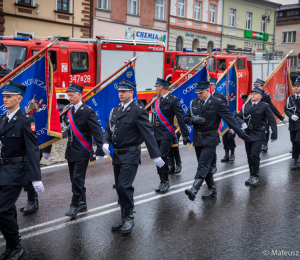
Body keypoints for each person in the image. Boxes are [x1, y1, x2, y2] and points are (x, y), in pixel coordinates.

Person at [104, 79, 164, 234]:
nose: (121, 94)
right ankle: (123, 217)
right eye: (119, 91)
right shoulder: (115, 110)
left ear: (131, 92)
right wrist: (105, 142)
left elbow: (148, 134)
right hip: (117, 155)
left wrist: (155, 155)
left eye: (124, 91)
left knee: (124, 186)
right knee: (119, 187)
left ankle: (129, 217)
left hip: (131, 154)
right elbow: (109, 129)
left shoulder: (139, 110)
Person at [184, 81, 249, 201]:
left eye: (201, 92)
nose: (198, 95)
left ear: (208, 90)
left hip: (210, 139)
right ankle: (212, 189)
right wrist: (193, 120)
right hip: (198, 139)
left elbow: (230, 119)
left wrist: (242, 134)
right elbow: (186, 118)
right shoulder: (194, 102)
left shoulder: (217, 103)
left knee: (203, 164)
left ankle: (194, 189)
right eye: (197, 93)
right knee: (205, 166)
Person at [0, 81, 44, 260]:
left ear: (19, 99)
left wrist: (35, 178)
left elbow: (33, 150)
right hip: (2, 170)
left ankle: (16, 246)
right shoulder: (2, 119)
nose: (5, 99)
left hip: (16, 171)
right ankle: (12, 248)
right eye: (4, 96)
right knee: (7, 210)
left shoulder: (27, 120)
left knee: (1, 209)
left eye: (9, 96)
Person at [63, 83, 105, 218]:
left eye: (72, 95)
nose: (69, 98)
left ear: (80, 95)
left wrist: (100, 148)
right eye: (68, 95)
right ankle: (83, 203)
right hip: (70, 149)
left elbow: (96, 130)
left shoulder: (87, 111)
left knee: (77, 178)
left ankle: (74, 206)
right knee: (74, 179)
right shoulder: (67, 110)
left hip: (82, 150)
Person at [147, 78, 190, 194]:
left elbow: (180, 118)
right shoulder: (155, 100)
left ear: (161, 87)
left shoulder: (173, 100)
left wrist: (185, 134)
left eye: (157, 86)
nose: (155, 88)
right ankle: (161, 181)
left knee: (162, 157)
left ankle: (165, 181)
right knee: (157, 157)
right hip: (155, 132)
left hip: (166, 133)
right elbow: (145, 111)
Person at [236, 87, 277, 186]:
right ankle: (251, 175)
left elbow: (272, 120)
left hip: (259, 133)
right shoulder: (246, 106)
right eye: (252, 93)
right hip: (248, 133)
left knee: (254, 155)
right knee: (249, 155)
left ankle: (255, 176)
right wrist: (242, 123)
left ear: (260, 96)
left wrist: (274, 134)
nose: (253, 95)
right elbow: (238, 116)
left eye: (255, 93)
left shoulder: (264, 106)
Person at [253, 78, 286, 152]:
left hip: (263, 117)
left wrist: (281, 117)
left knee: (265, 130)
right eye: (254, 86)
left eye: (257, 86)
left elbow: (272, 107)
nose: (255, 88)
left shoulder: (265, 96)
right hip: (254, 117)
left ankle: (265, 143)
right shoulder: (251, 96)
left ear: (262, 87)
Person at [210, 77, 237, 163]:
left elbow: (226, 109)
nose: (210, 87)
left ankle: (232, 153)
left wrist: (230, 123)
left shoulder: (220, 96)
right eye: (209, 85)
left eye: (211, 85)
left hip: (223, 120)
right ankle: (226, 154)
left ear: (215, 85)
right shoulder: (206, 95)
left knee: (229, 136)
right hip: (213, 121)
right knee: (223, 138)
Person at [19, 145, 52, 215]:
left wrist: (46, 149)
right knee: (26, 168)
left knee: (30, 168)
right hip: (25, 146)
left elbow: (46, 134)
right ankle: (33, 200)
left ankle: (32, 200)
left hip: (36, 145)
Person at [285, 76, 300, 170]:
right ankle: (296, 161)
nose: (295, 88)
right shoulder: (290, 98)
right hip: (293, 124)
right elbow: (286, 109)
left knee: (298, 140)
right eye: (294, 86)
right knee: (294, 141)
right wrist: (291, 115)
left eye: (298, 86)